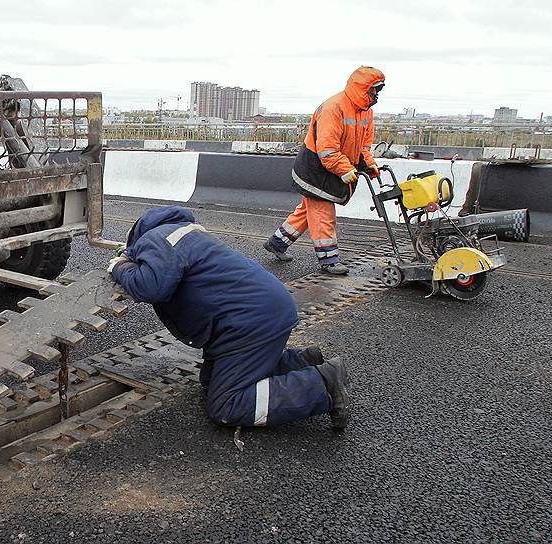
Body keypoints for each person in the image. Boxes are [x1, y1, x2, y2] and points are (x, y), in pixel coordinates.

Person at [109, 205, 351, 430]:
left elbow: (150, 286)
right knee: (210, 381)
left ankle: (321, 385)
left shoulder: (155, 239)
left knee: (227, 405)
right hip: (257, 315)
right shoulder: (185, 232)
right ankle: (299, 362)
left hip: (249, 325)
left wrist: (120, 266)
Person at [263, 66, 385, 275]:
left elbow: (364, 146)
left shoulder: (366, 112)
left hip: (333, 167)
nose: (376, 95)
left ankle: (277, 242)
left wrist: (369, 164)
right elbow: (327, 150)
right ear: (361, 88)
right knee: (322, 213)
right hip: (316, 170)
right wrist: (344, 169)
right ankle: (329, 259)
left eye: (378, 90)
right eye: (373, 90)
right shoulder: (334, 108)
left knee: (307, 210)